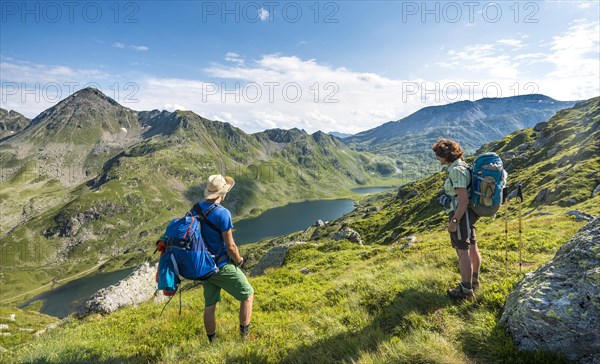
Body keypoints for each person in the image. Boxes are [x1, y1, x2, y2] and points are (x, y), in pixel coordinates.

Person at [195, 174, 254, 341]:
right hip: (220, 266)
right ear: (222, 193)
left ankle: (212, 342)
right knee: (248, 294)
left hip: (204, 267)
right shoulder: (223, 213)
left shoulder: (196, 208)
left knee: (210, 305)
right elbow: (231, 246)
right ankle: (245, 337)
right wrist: (239, 260)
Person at [432, 138, 481, 300]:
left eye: (438, 155)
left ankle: (465, 291)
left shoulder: (456, 170)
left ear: (446, 155)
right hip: (468, 214)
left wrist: (454, 221)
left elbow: (463, 199)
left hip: (461, 214)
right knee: (472, 246)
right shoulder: (463, 165)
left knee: (463, 251)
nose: (437, 158)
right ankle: (474, 282)